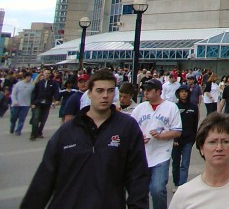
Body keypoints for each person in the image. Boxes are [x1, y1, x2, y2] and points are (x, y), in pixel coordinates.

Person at [21, 69, 149, 208]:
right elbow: (44, 177)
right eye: (99, 91)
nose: (105, 96)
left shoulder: (127, 127)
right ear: (89, 93)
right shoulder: (68, 130)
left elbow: (137, 176)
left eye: (110, 91)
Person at [169, 112, 229, 209]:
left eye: (225, 142)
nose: (219, 148)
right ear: (201, 148)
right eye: (212, 142)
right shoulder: (185, 193)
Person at [132, 78, 183, 209]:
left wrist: (161, 136)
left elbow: (177, 131)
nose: (145, 92)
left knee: (157, 188)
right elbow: (130, 129)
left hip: (161, 154)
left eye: (149, 90)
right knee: (140, 190)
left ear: (158, 91)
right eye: (144, 90)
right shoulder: (140, 108)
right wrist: (138, 138)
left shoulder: (171, 107)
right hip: (142, 154)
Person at [173, 84, 199, 189]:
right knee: (175, 163)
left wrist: (194, 138)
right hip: (175, 139)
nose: (184, 94)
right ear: (178, 93)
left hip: (188, 139)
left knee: (185, 163)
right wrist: (173, 139)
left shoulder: (193, 107)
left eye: (186, 92)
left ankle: (182, 185)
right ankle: (176, 182)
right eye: (182, 92)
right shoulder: (174, 107)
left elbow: (195, 123)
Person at [30, 68, 59, 139]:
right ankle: (33, 133)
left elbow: (56, 92)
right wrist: (32, 103)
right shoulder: (39, 83)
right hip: (38, 103)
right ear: (43, 74)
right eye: (46, 73)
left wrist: (56, 100)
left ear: (50, 74)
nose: (47, 75)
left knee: (43, 119)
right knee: (36, 118)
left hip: (47, 103)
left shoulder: (53, 83)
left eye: (48, 73)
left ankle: (39, 132)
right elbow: (34, 93)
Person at [9, 70, 33, 136]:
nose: (29, 78)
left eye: (30, 76)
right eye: (28, 76)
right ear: (25, 77)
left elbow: (33, 94)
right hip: (16, 104)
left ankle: (18, 131)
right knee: (13, 118)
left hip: (26, 105)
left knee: (22, 118)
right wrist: (14, 101)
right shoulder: (18, 84)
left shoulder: (32, 85)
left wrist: (31, 103)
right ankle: (12, 127)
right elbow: (13, 93)